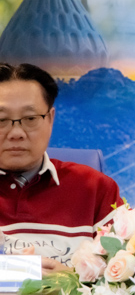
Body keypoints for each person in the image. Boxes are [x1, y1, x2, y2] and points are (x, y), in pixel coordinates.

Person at [0, 63, 122, 273]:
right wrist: (15, 272)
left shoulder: (96, 188)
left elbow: (126, 277)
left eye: (30, 119)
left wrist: (69, 279)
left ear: (50, 119)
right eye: (1, 119)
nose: (16, 133)